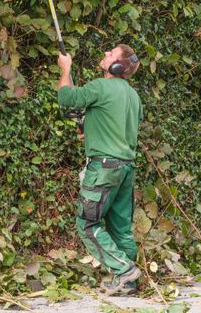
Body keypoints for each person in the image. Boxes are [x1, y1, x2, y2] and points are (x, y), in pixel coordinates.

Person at [56, 44, 143, 296]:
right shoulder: (133, 96)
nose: (105, 54)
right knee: (120, 229)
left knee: (87, 223)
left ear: (118, 66)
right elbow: (119, 126)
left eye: (111, 54)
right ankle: (130, 283)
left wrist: (66, 69)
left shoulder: (101, 86)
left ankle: (124, 270)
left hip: (103, 169)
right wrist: (92, 130)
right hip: (125, 169)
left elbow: (66, 98)